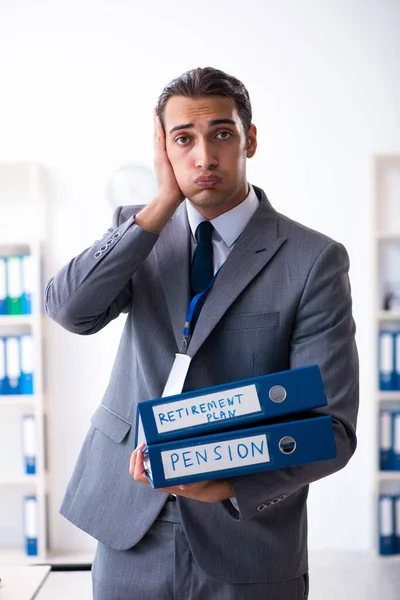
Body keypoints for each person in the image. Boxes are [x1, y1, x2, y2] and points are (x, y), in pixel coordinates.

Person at [45, 66, 359, 600]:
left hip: (245, 534)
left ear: (249, 139)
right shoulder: (139, 231)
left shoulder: (313, 260)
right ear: (163, 148)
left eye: (221, 134)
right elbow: (71, 310)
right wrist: (161, 203)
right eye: (183, 139)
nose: (204, 157)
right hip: (130, 519)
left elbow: (331, 428)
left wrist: (231, 484)